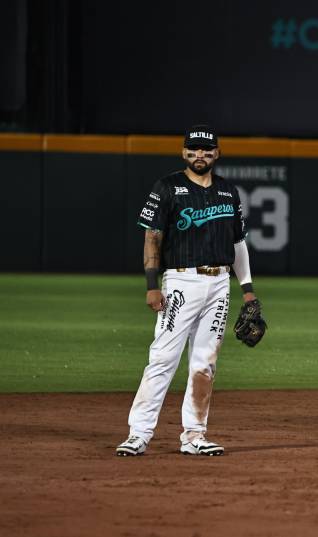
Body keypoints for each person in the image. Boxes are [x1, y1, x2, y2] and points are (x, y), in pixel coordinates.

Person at [116, 125, 264, 456]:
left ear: (217, 153)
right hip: (180, 281)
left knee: (205, 363)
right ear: (184, 152)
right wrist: (152, 285)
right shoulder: (167, 187)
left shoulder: (228, 191)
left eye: (206, 150)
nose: (200, 155)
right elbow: (152, 237)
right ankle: (138, 433)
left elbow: (238, 243)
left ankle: (195, 435)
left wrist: (248, 289)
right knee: (163, 358)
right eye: (194, 149)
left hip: (220, 283)